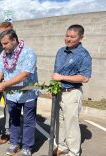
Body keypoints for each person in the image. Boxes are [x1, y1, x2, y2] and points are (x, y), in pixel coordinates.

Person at [0, 29, 38, 156]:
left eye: (5, 43)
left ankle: (27, 146)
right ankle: (15, 143)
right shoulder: (3, 55)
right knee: (13, 120)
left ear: (14, 40)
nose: (3, 46)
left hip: (28, 94)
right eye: (2, 44)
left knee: (28, 121)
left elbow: (24, 74)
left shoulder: (28, 52)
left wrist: (4, 84)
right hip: (11, 95)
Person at [52, 24, 92, 156]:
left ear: (80, 38)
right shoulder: (60, 51)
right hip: (58, 93)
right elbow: (55, 72)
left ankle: (74, 152)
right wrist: (54, 86)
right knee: (60, 122)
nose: (68, 39)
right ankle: (63, 147)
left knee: (71, 124)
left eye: (72, 37)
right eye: (67, 35)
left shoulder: (83, 55)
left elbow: (85, 77)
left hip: (72, 93)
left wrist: (62, 77)